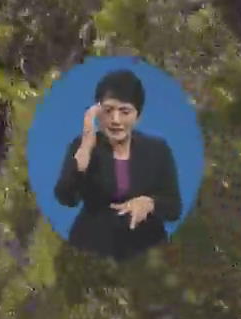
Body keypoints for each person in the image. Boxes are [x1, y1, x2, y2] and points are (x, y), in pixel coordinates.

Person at [53, 69, 182, 261]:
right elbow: (66, 198)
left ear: (138, 116)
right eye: (108, 110)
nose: (115, 120)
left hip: (146, 251)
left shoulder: (158, 149)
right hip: (92, 249)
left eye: (125, 111)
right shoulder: (83, 145)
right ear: (97, 111)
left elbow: (174, 208)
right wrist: (85, 149)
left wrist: (149, 203)